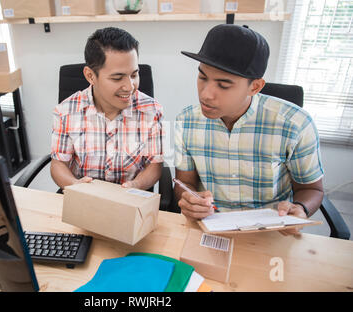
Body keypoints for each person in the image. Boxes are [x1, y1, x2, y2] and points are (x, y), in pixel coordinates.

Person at [174, 24, 324, 235]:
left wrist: (300, 208)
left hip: (272, 232)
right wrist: (188, 199)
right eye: (202, 77)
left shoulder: (295, 124)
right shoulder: (186, 121)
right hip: (211, 227)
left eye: (223, 85)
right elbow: (185, 182)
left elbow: (311, 189)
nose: (206, 94)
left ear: (255, 87)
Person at [50, 27, 163, 191]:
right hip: (83, 197)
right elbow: (58, 164)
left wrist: (135, 185)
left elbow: (155, 165)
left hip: (131, 198)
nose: (129, 87)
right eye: (118, 78)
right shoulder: (65, 112)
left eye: (133, 75)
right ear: (90, 76)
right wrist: (75, 185)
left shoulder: (152, 111)